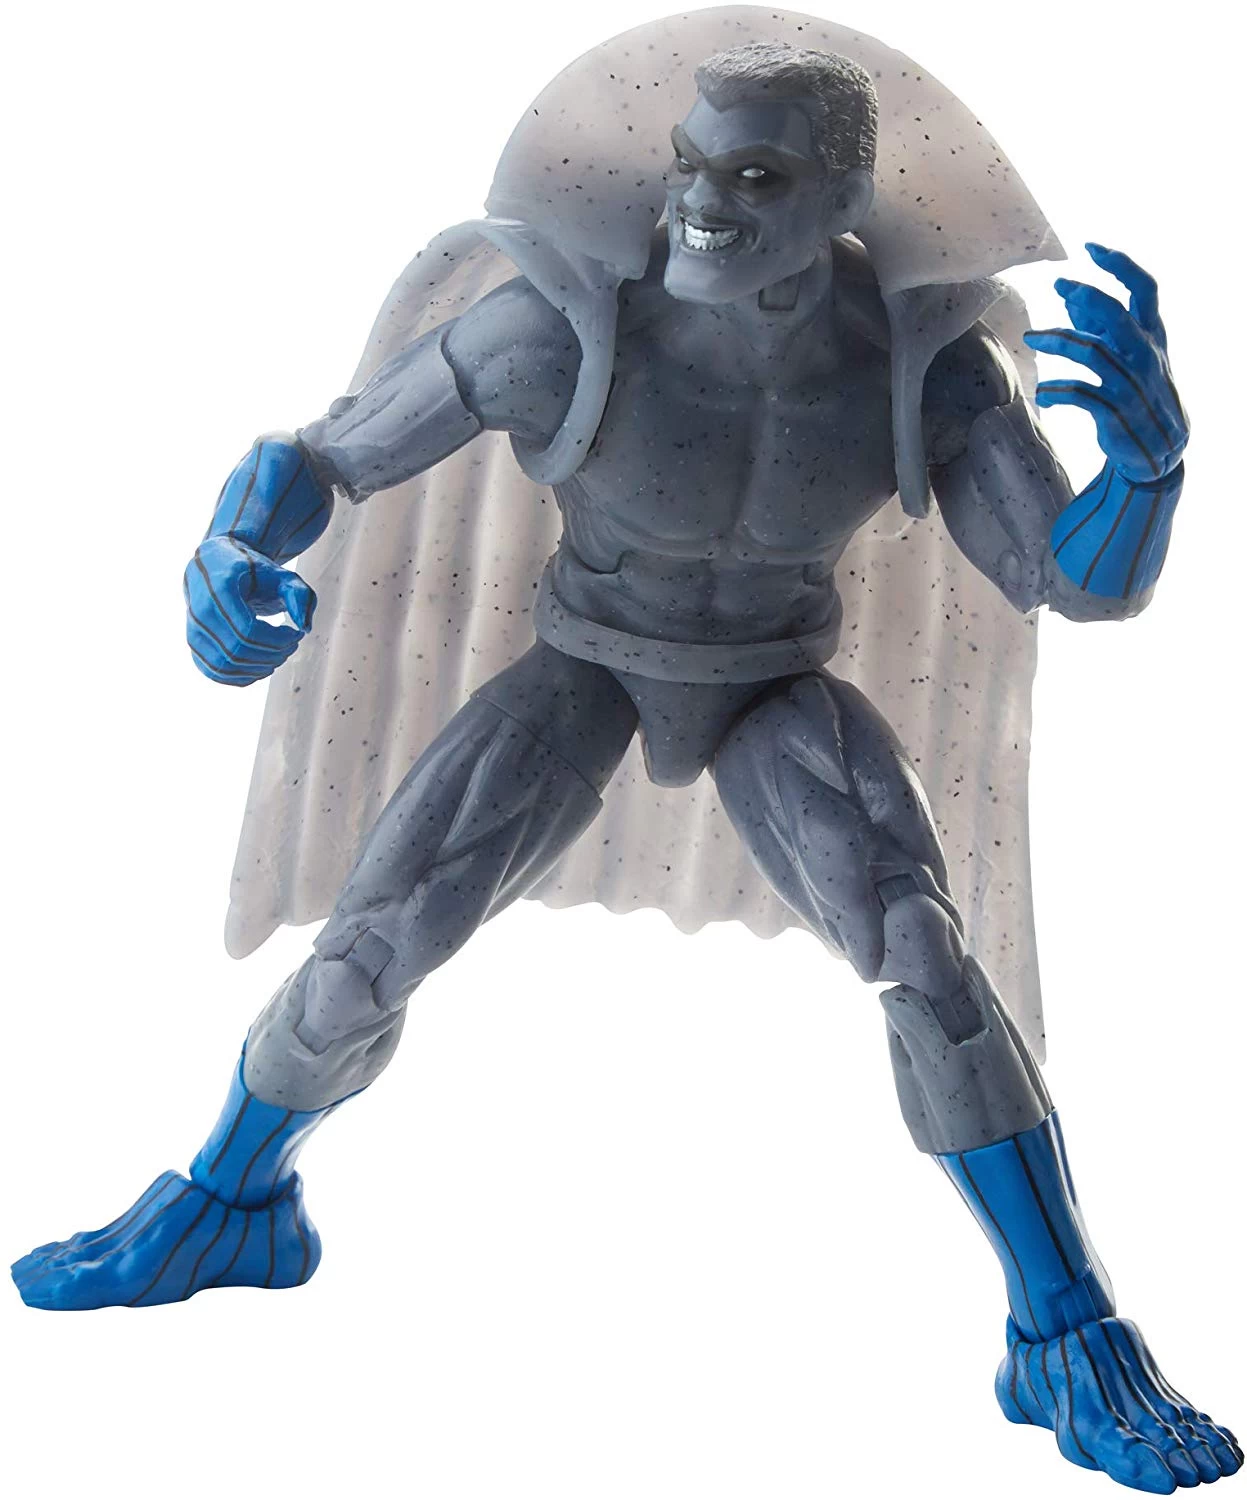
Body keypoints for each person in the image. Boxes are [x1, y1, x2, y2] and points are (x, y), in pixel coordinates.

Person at [13, 28, 1238, 1493]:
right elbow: (326, 456)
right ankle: (232, 1205)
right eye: (689, 166)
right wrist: (228, 550)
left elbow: (1070, 580)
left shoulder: (920, 374)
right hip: (586, 662)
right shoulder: (565, 334)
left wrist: (1148, 477)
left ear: (844, 201)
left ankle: (1064, 1335)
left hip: (774, 685)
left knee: (925, 956)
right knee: (369, 950)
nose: (701, 204)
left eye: (755, 177)